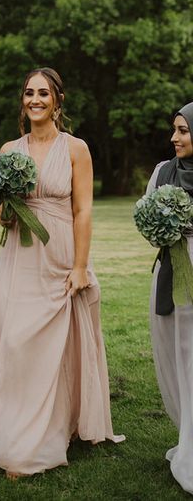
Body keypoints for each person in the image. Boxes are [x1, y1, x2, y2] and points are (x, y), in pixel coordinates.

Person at [0, 68, 123, 477]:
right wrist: (2, 211)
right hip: (20, 256)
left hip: (61, 251)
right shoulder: (10, 148)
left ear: (58, 101)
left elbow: (83, 210)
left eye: (43, 93)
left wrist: (80, 265)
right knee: (16, 342)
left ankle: (54, 429)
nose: (35, 99)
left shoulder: (76, 148)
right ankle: (21, 429)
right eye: (29, 93)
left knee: (59, 346)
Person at [146, 102, 193, 494]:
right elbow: (146, 217)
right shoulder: (163, 172)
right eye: (174, 130)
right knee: (172, 351)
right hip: (169, 272)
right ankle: (188, 432)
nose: (174, 138)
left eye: (184, 131)